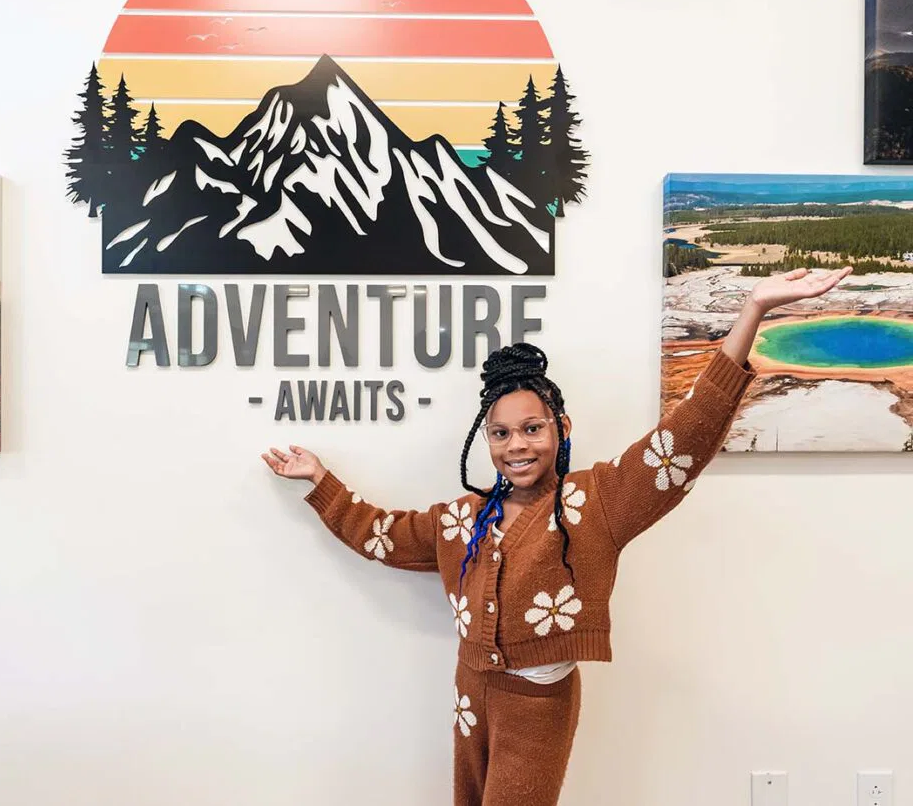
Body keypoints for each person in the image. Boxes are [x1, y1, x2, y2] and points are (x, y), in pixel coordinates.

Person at [261, 266, 851, 806]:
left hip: (537, 703)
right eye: (500, 434)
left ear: (560, 427)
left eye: (532, 428)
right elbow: (381, 535)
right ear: (485, 441)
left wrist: (750, 311)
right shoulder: (463, 518)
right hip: (471, 691)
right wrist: (320, 481)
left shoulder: (597, 502)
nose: (516, 446)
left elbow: (687, 436)